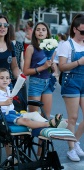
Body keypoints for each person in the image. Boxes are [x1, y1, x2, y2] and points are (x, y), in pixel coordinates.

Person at [58, 14, 84, 162]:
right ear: (74, 29)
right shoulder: (67, 45)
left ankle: (75, 141)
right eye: (82, 32)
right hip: (71, 81)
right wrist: (78, 62)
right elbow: (62, 66)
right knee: (73, 118)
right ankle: (71, 149)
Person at [23, 22, 54, 119]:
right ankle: (31, 134)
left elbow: (52, 69)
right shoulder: (31, 48)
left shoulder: (51, 48)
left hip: (48, 83)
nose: (41, 32)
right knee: (33, 117)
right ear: (34, 33)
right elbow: (25, 71)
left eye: (43, 30)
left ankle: (41, 134)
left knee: (46, 116)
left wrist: (52, 67)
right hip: (35, 83)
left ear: (47, 33)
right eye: (38, 29)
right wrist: (43, 67)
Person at [9, 24, 27, 112]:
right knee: (19, 99)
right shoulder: (19, 44)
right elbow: (22, 60)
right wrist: (22, 73)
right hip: (17, 73)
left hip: (7, 74)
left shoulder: (5, 44)